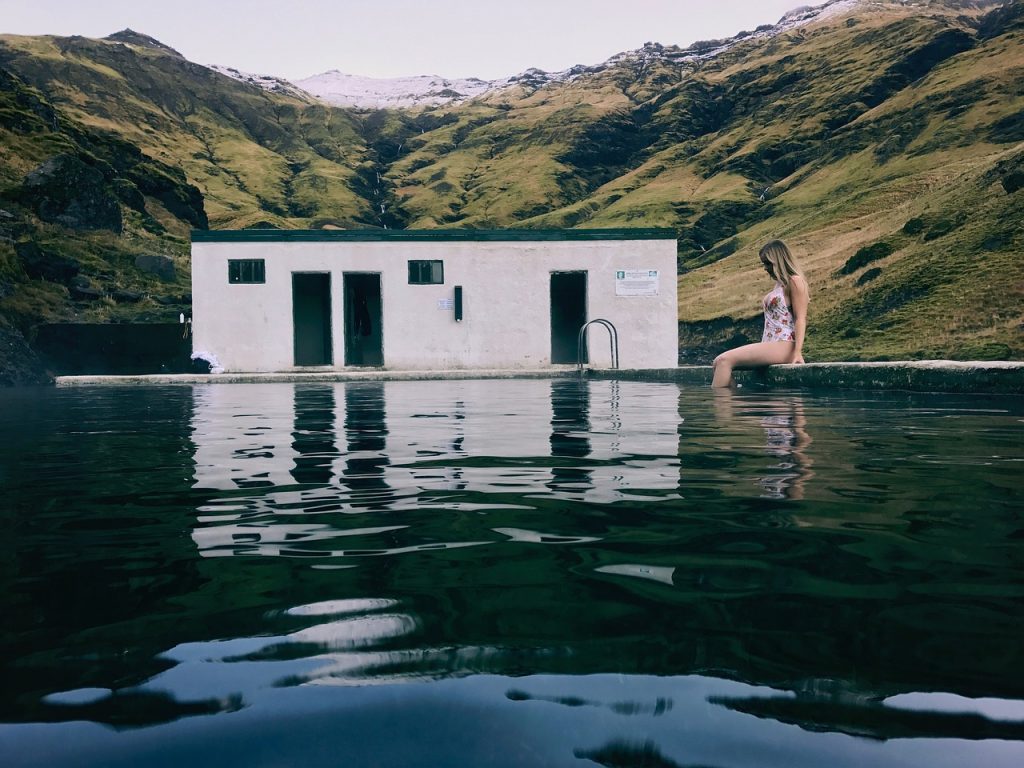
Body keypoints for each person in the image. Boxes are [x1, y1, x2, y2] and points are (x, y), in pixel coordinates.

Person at [711, 240, 809, 388]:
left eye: (768, 263)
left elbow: (800, 318)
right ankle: (728, 405)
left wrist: (797, 352)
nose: (765, 268)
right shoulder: (779, 285)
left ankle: (722, 406)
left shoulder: (794, 281)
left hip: (784, 344)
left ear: (778, 261)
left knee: (725, 360)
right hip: (771, 343)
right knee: (717, 362)